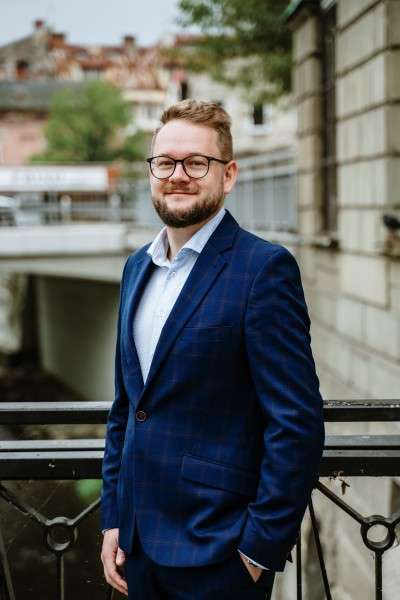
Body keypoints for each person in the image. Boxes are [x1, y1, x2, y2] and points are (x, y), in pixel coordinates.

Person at [100, 99, 325, 599]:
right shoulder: (136, 267)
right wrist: (113, 517)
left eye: (197, 163)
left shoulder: (263, 269)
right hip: (137, 550)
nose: (178, 175)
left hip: (219, 555)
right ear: (151, 172)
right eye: (165, 162)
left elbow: (296, 422)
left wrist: (256, 552)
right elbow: (127, 408)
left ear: (228, 175)